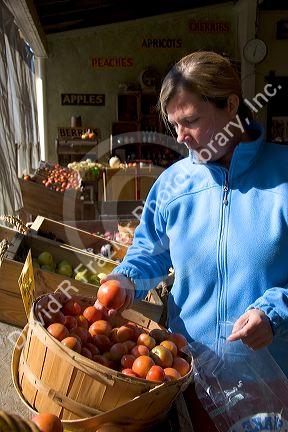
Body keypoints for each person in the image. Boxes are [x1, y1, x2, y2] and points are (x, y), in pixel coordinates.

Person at [95, 51, 288, 429]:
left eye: (191, 121)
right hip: (189, 377)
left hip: (274, 383)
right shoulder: (174, 184)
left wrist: (275, 312)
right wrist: (125, 279)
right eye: (174, 126)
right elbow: (148, 253)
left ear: (231, 105)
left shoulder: (283, 177)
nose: (181, 138)